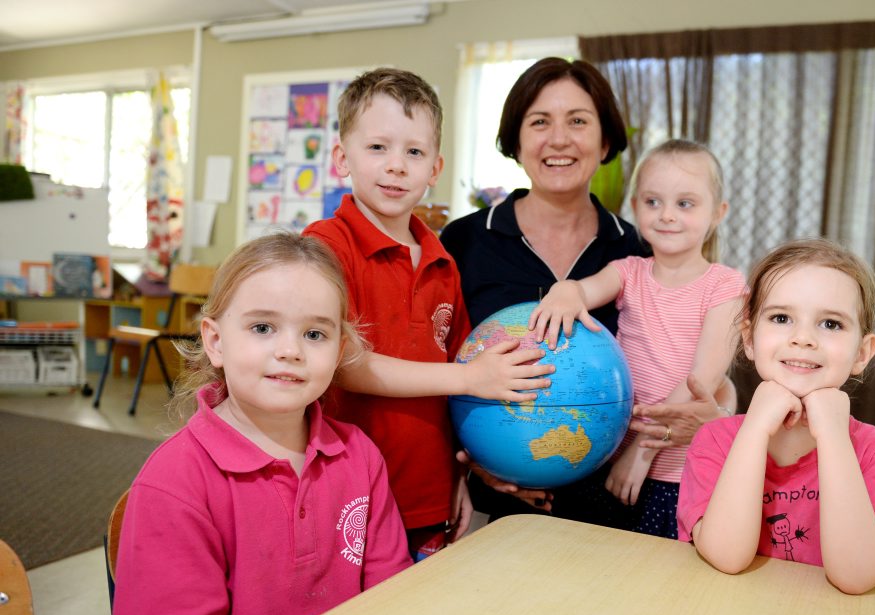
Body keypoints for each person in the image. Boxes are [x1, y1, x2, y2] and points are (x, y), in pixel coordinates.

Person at [441, 57, 734, 526]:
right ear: (516, 140)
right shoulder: (463, 242)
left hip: (615, 503)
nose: (559, 139)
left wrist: (722, 407)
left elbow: (693, 360)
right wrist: (467, 463)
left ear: (605, 142)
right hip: (493, 503)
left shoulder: (641, 249)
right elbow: (438, 366)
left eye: (578, 121)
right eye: (540, 122)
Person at [110, 234, 412, 615]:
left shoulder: (359, 456)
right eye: (263, 327)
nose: (290, 350)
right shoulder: (174, 482)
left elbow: (391, 599)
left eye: (314, 334)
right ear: (215, 342)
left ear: (340, 349)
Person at [304, 67, 552, 561]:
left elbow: (459, 368)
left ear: (434, 169)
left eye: (413, 152)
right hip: (344, 495)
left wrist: (458, 474)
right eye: (378, 148)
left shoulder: (442, 261)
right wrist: (470, 379)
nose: (396, 166)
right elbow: (346, 364)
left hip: (427, 497)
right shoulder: (325, 247)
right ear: (341, 159)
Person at [677, 238, 875, 594]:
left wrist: (834, 437)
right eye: (781, 318)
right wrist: (756, 429)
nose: (803, 338)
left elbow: (856, 576)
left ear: (861, 353)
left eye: (831, 324)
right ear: (749, 338)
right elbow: (726, 556)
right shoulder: (713, 441)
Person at [529, 139, 745, 538]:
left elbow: (703, 380)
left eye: (685, 203)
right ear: (634, 206)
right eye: (652, 202)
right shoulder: (628, 272)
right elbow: (582, 291)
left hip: (678, 472)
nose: (666, 216)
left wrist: (642, 452)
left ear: (718, 213)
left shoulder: (726, 287)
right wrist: (565, 291)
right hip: (610, 460)